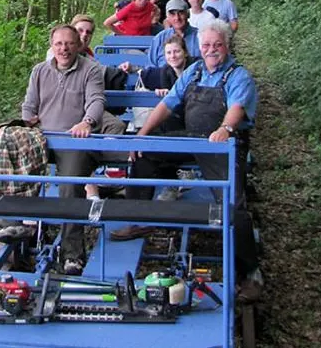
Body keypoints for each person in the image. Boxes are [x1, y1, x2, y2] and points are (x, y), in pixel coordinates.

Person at [110, 20, 262, 301]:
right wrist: (143, 135)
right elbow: (168, 103)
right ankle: (139, 217)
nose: (211, 49)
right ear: (199, 47)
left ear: (226, 45)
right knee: (145, 157)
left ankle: (250, 273)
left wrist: (224, 129)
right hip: (191, 137)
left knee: (234, 204)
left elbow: (237, 108)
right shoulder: (193, 71)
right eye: (206, 45)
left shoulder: (238, 76)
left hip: (223, 144)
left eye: (217, 44)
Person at [22, 25, 105, 275]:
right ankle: (18, 229)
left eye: (69, 43)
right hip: (43, 138)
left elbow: (96, 101)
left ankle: (72, 253)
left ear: (78, 45)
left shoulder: (90, 69)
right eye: (58, 44)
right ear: (52, 45)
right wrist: (27, 122)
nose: (64, 49)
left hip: (73, 140)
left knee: (70, 184)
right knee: (15, 167)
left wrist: (86, 122)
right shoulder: (39, 71)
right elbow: (29, 105)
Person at [146, 0, 201, 67]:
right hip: (163, 77)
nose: (177, 18)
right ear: (167, 17)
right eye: (172, 14)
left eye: (181, 13)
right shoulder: (160, 38)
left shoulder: (200, 36)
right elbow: (150, 66)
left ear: (188, 14)